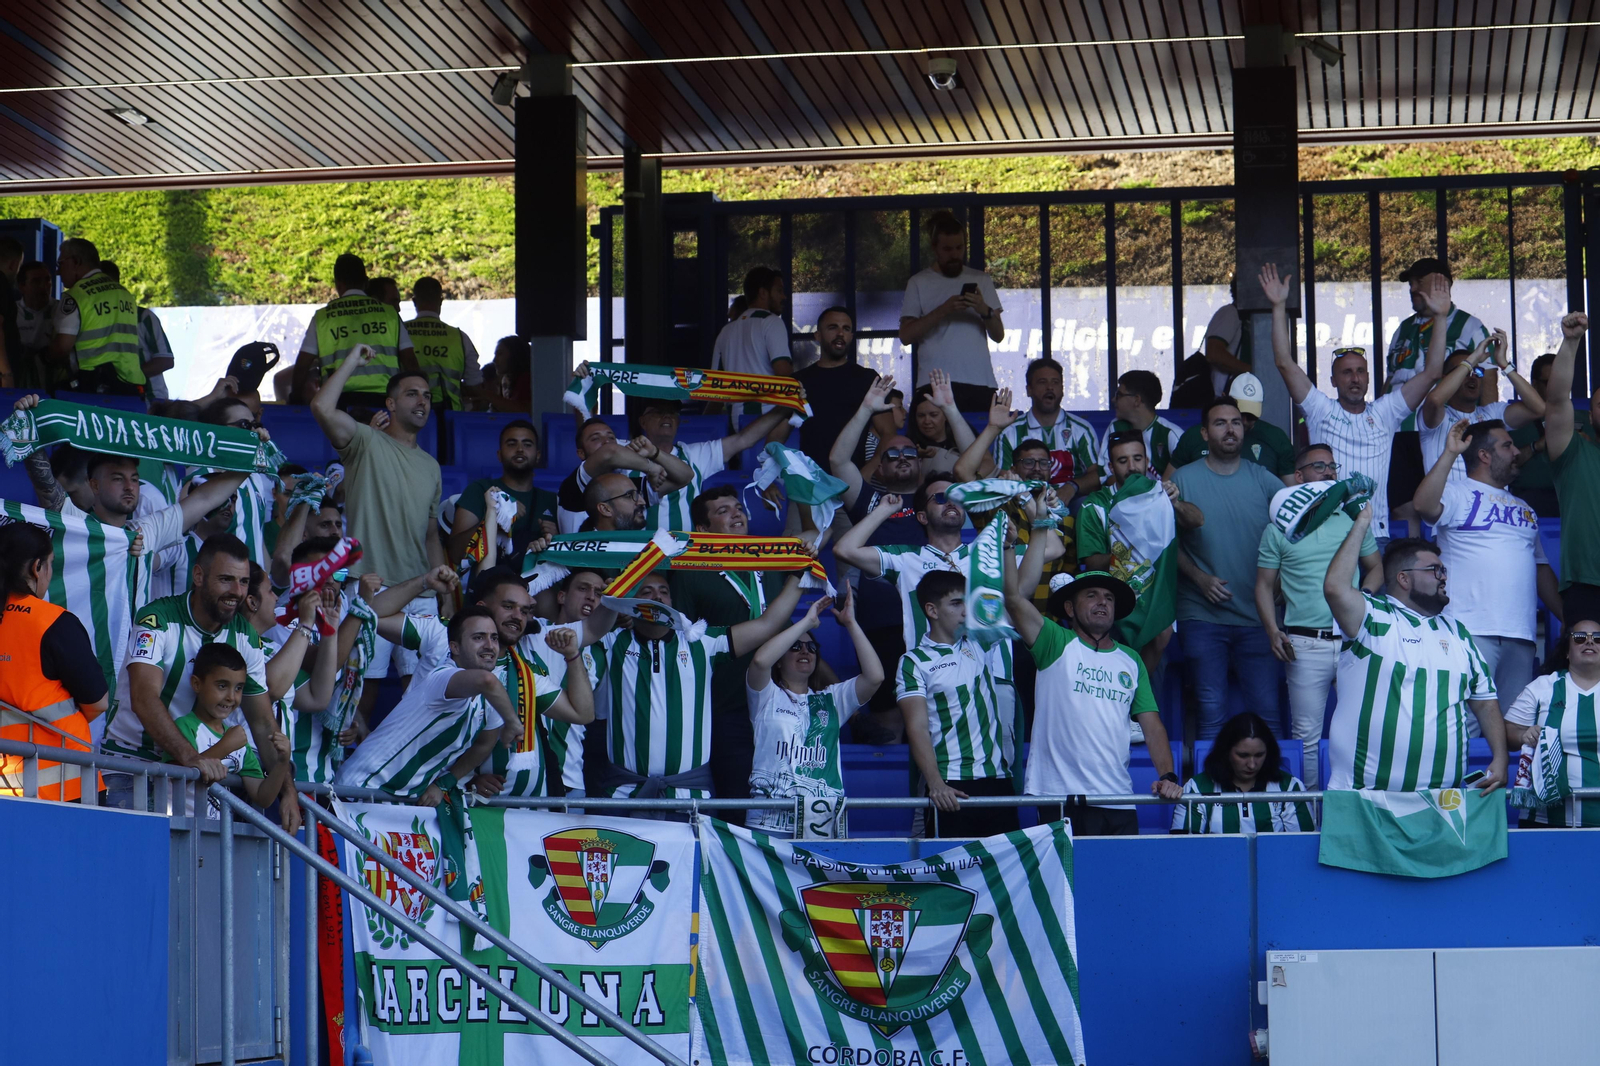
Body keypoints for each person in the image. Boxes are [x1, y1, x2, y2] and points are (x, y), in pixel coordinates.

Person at [1001, 530, 1182, 836]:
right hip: (1059, 797)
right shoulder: (1054, 641)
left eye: (1109, 598)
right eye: (1091, 595)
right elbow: (1014, 600)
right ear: (1069, 609)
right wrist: (1008, 548)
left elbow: (1152, 726)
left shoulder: (1131, 659)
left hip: (1118, 799)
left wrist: (1168, 775)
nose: (1102, 602)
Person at [110, 535, 299, 827]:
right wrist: (191, 759)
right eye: (226, 579)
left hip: (194, 775)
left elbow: (262, 722)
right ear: (198, 576)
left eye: (244, 582)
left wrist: (288, 791)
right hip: (134, 767)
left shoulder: (245, 635)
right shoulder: (157, 618)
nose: (236, 592)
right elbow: (144, 697)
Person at [1262, 262, 1444, 547]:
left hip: (1376, 536)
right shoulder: (1320, 409)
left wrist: (1440, 317)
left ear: (1369, 377)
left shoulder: (1386, 411)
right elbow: (1284, 362)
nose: (1355, 378)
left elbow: (1432, 372)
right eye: (1346, 373)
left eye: (1360, 371)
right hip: (1330, 535)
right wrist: (1278, 307)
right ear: (1333, 381)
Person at [1323, 512, 1507, 793]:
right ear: (1404, 579)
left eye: (1444, 570)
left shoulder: (1458, 633)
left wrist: (1501, 757)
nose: (1443, 577)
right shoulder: (1372, 616)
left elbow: (1484, 702)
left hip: (1441, 802)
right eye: (1435, 570)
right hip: (1364, 798)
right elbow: (1335, 588)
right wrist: (1362, 523)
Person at [593, 571, 803, 803]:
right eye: (647, 592)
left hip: (690, 797)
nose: (657, 597)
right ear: (631, 602)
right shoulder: (611, 642)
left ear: (672, 601)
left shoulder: (702, 643)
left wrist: (799, 575)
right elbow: (579, 631)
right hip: (623, 793)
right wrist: (608, 605)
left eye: (664, 592)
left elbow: (767, 624)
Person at [310, 351, 445, 686]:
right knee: (362, 691)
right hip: (371, 585)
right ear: (391, 404)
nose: (422, 401)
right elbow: (321, 407)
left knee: (427, 690)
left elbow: (431, 535)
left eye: (427, 396)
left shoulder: (432, 466)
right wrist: (352, 361)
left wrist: (445, 595)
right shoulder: (365, 441)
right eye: (412, 394)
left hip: (423, 593)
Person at [1255, 447, 1383, 789]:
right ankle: (1307, 811)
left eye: (1332, 466)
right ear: (1299, 477)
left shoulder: (1352, 517)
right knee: (1306, 737)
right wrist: (1272, 631)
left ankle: (1356, 805)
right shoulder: (1279, 527)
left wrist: (1361, 599)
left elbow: (1376, 568)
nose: (1329, 472)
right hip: (1304, 642)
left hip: (1353, 641)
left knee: (1362, 730)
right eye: (1319, 466)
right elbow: (1263, 586)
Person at [1413, 419, 1562, 711]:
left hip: (1520, 634)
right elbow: (1423, 506)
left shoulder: (1525, 509)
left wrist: (1565, 616)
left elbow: (1541, 568)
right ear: (1484, 455)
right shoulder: (1457, 492)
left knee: (1512, 725)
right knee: (1463, 722)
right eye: (1507, 446)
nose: (1516, 452)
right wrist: (1450, 453)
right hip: (1469, 630)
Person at [670, 485, 797, 821]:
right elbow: (682, 641)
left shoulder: (771, 559)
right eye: (722, 511)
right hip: (726, 707)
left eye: (738, 507)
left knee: (789, 801)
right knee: (738, 807)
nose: (736, 513)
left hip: (781, 704)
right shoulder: (689, 571)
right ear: (702, 529)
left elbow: (815, 535)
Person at [1171, 397, 1286, 739]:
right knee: (1210, 715)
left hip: (1258, 618)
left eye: (1236, 422)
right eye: (1220, 423)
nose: (1230, 429)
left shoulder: (1264, 479)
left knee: (1268, 717)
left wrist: (1281, 583)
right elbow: (1165, 545)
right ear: (1205, 433)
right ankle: (1212, 779)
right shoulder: (1183, 479)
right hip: (1202, 615)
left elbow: (1297, 533)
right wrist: (1199, 578)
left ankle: (1273, 779)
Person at [335, 606, 519, 804]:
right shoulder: (443, 677)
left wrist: (444, 783)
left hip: (395, 800)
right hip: (360, 789)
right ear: (454, 647)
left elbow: (484, 744)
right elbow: (487, 681)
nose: (490, 645)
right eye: (478, 638)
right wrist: (512, 722)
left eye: (494, 638)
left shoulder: (487, 696)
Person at [745, 586, 883, 838]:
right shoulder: (766, 695)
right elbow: (760, 661)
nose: (805, 651)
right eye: (795, 646)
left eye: (811, 648)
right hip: (770, 820)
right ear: (780, 659)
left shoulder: (832, 700)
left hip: (821, 820)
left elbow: (875, 677)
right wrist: (807, 622)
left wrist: (851, 624)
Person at [894, 571, 1018, 838]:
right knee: (952, 864)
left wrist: (1008, 551)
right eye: (956, 603)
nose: (965, 611)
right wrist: (936, 784)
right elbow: (917, 727)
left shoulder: (980, 641)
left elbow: (1019, 597)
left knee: (1004, 865)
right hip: (950, 786)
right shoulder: (913, 661)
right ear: (932, 610)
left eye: (968, 603)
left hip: (997, 779)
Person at [0, 523, 110, 802]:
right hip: (66, 786)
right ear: (37, 568)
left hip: (6, 789)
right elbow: (98, 702)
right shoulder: (53, 622)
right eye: (50, 564)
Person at [1077, 430, 1184, 676]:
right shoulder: (1095, 504)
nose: (1132, 467)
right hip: (1112, 611)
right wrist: (1129, 552)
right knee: (1111, 687)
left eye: (1137, 458)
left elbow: (1197, 521)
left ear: (1147, 461)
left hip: (1155, 604)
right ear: (1111, 467)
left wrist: (1176, 503)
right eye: (1123, 461)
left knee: (1150, 692)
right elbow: (1092, 563)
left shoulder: (1161, 496)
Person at [626, 390, 790, 532]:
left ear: (678, 422)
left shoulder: (694, 454)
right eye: (658, 411)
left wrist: (786, 407)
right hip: (635, 550)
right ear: (643, 421)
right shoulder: (624, 452)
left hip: (688, 552)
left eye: (672, 412)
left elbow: (744, 439)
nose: (666, 416)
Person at [167, 643, 292, 818]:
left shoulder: (238, 740)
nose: (231, 697)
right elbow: (174, 778)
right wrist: (225, 746)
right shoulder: (185, 726)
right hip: (179, 829)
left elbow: (262, 797)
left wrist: (282, 762)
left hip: (219, 832)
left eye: (238, 688)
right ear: (196, 684)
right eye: (222, 686)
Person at [898, 211, 1004, 409]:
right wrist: (943, 310)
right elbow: (905, 335)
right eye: (947, 249)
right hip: (933, 382)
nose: (954, 255)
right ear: (934, 248)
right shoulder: (918, 282)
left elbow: (998, 335)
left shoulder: (981, 279)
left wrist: (983, 308)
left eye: (959, 248)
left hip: (979, 381)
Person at [1504, 618, 1600, 827]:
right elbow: (1508, 732)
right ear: (1567, 651)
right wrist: (1523, 735)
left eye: (1598, 638)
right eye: (1580, 637)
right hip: (1543, 819)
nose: (1590, 641)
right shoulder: (1543, 687)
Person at [1417, 327, 1543, 485]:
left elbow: (1538, 408)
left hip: (1492, 500)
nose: (1473, 376)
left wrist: (1504, 365)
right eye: (1465, 371)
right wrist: (1473, 359)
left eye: (1477, 371)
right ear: (1446, 378)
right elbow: (1435, 399)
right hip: (1451, 500)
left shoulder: (1492, 413)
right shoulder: (1436, 417)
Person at [1535, 312, 1600, 615]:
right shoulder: (1573, 453)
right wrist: (1571, 342)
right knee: (1584, 648)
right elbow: (1557, 400)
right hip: (1587, 585)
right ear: (1590, 417)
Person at [290, 253, 416, 407]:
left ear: (338, 283)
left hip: (337, 402)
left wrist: (295, 398)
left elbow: (302, 365)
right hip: (384, 402)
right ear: (366, 282)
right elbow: (410, 361)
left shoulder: (322, 318)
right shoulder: (390, 314)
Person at [1384, 258, 1491, 429]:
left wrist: (1487, 430)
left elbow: (1488, 382)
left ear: (1443, 283)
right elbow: (1390, 380)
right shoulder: (1403, 328)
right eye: (1410, 284)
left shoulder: (1470, 327)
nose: (1412, 289)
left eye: (1419, 282)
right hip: (1396, 429)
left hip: (1446, 431)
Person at [1170, 713, 1314, 834]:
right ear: (1225, 752)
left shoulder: (1290, 787)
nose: (1252, 764)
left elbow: (1302, 847)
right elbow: (1183, 849)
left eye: (1259, 755)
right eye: (1243, 755)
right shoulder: (1196, 788)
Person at [448, 420, 557, 574]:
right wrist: (495, 522)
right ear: (499, 455)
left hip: (537, 585)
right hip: (489, 585)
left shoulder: (552, 500)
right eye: (512, 444)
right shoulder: (481, 490)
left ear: (538, 455)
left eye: (527, 444)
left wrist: (557, 539)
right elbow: (456, 554)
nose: (520, 449)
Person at [830, 375, 926, 546]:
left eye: (910, 453)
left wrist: (950, 409)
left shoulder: (933, 498)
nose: (902, 457)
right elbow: (838, 461)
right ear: (880, 468)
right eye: (893, 455)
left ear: (920, 463)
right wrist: (866, 410)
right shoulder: (869, 500)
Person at [984, 357, 1098, 499]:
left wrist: (1071, 487)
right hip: (1023, 501)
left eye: (1055, 382)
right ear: (1029, 390)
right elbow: (1003, 477)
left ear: (1062, 389)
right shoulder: (1009, 432)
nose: (1050, 387)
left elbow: (1098, 475)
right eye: (1042, 382)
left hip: (1071, 502)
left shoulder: (1082, 429)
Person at [554, 415, 686, 533]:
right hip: (582, 554)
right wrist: (651, 467)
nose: (606, 441)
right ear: (581, 453)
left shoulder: (630, 489)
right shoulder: (574, 486)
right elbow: (609, 453)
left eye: (611, 437)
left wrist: (654, 452)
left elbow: (685, 476)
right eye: (595, 439)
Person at [49, 238, 145, 395]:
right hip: (131, 384)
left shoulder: (76, 296)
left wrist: (44, 356)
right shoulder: (124, 293)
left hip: (93, 386)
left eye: (61, 264)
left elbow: (62, 347)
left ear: (76, 262)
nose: (58, 271)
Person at [1511, 352, 1598, 516]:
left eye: (1563, 381)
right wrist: (1537, 446)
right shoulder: (1517, 420)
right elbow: (1503, 465)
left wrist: (1587, 445)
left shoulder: (1586, 417)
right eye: (1550, 382)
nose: (1558, 386)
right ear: (1535, 385)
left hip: (1579, 495)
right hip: (1532, 498)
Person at [794, 306, 877, 471]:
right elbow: (777, 436)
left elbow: (888, 435)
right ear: (817, 335)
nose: (840, 333)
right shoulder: (798, 381)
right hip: (812, 480)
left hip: (853, 479)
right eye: (833, 327)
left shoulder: (868, 378)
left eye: (846, 329)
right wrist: (773, 477)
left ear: (851, 336)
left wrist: (864, 477)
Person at [1171, 372, 1294, 482]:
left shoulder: (1276, 438)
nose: (1243, 421)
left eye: (1251, 416)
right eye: (1239, 414)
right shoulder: (1194, 436)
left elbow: (1291, 493)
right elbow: (1168, 489)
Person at [96, 259, 175, 400]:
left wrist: (125, 378)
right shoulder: (90, 319)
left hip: (149, 400)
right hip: (107, 400)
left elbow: (165, 360)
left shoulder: (143, 317)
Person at [405, 276, 482, 411]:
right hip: (449, 415)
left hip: (407, 413)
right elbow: (474, 384)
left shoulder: (400, 332)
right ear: (441, 301)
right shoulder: (459, 337)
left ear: (414, 301)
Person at [897, 371, 987, 479]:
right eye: (921, 416)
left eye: (933, 415)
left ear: (946, 415)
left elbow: (983, 461)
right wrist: (914, 456)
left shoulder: (964, 432)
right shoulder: (910, 443)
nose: (927, 421)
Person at [1097, 370, 1183, 478]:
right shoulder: (1115, 426)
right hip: (1124, 490)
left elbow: (1186, 479)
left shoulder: (1171, 434)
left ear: (1137, 400)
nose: (1113, 400)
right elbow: (1106, 475)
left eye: (1119, 395)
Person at [711, 267, 793, 377]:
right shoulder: (771, 322)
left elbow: (714, 376)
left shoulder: (725, 331)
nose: (784, 296)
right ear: (763, 293)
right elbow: (783, 373)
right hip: (764, 389)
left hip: (732, 389)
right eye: (779, 290)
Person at [1201, 276, 1254, 398]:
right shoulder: (1230, 313)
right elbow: (1213, 354)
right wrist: (1253, 371)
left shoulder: (1251, 319)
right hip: (1226, 396)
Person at [14, 260, 57, 389]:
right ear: (22, 286)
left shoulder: (61, 310)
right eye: (36, 281)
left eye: (47, 280)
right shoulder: (12, 312)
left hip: (56, 380)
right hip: (20, 380)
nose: (44, 286)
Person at [584, 472, 648, 531]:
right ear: (605, 509)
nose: (643, 502)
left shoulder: (651, 539)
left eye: (638, 494)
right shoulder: (580, 540)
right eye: (629, 496)